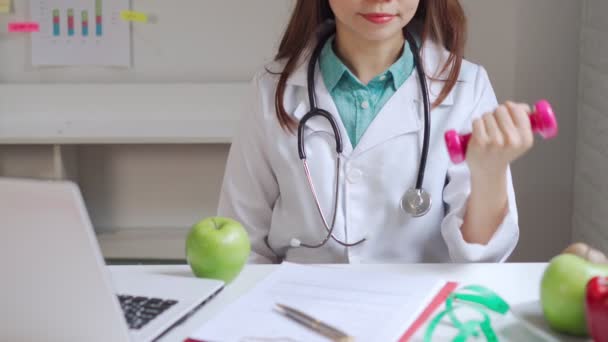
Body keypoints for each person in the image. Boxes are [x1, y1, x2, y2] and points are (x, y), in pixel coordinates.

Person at [218, 0, 535, 264]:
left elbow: (477, 261)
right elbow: (242, 245)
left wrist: (489, 173)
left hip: (417, 318)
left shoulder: (467, 88)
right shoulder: (272, 88)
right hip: (297, 316)